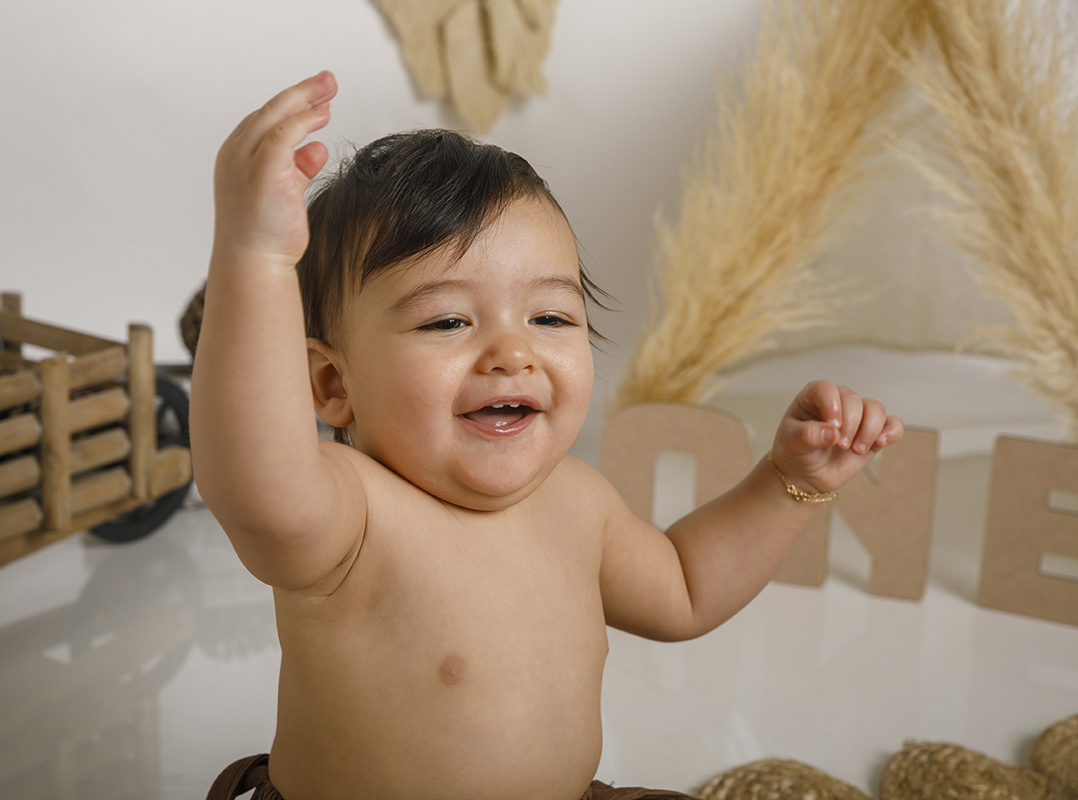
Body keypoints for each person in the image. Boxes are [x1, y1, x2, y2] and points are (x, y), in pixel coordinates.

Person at [189, 70, 904, 800]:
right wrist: (254, 260)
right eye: (447, 321)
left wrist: (790, 484)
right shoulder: (353, 517)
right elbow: (255, 481)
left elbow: (685, 590)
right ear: (333, 387)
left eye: (552, 318)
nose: (513, 353)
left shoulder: (579, 502)